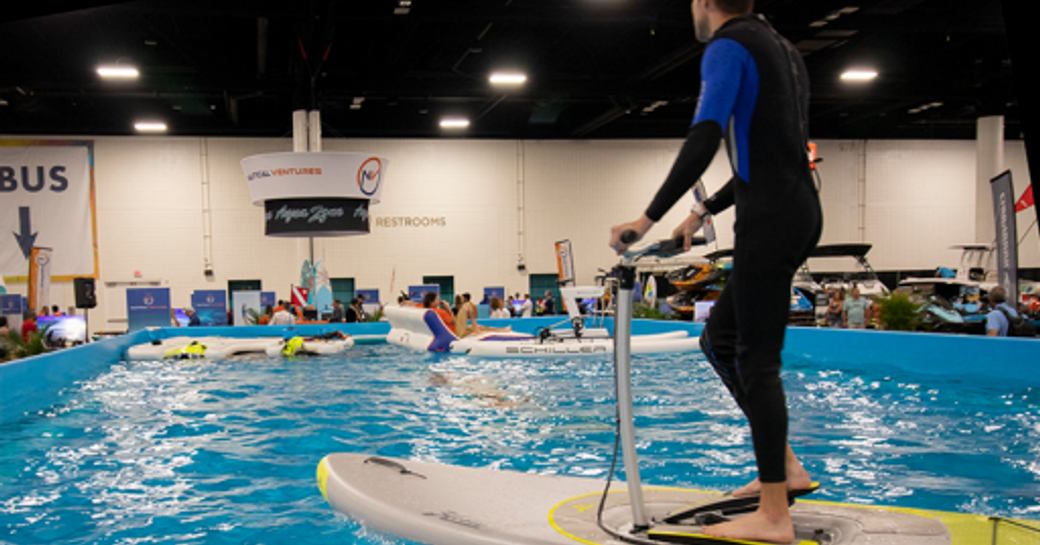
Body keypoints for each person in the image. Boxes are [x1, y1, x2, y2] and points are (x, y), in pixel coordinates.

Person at [608, 1, 822, 542]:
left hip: (770, 218)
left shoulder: (728, 46)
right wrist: (699, 214)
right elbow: (776, 152)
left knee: (756, 360)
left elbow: (704, 138)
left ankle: (775, 515)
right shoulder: (784, 49)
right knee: (719, 341)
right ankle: (787, 469)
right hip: (796, 209)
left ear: (704, 1)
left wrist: (645, 218)